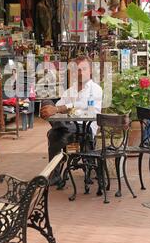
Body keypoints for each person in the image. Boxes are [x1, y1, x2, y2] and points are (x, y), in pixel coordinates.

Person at [40, 56, 103, 184]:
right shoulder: (71, 90)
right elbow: (57, 105)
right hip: (69, 126)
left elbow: (82, 104)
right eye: (77, 70)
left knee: (54, 134)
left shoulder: (95, 89)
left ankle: (55, 175)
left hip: (86, 127)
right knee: (46, 102)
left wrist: (59, 110)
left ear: (90, 71)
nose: (80, 73)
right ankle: (54, 174)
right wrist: (49, 109)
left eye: (84, 69)